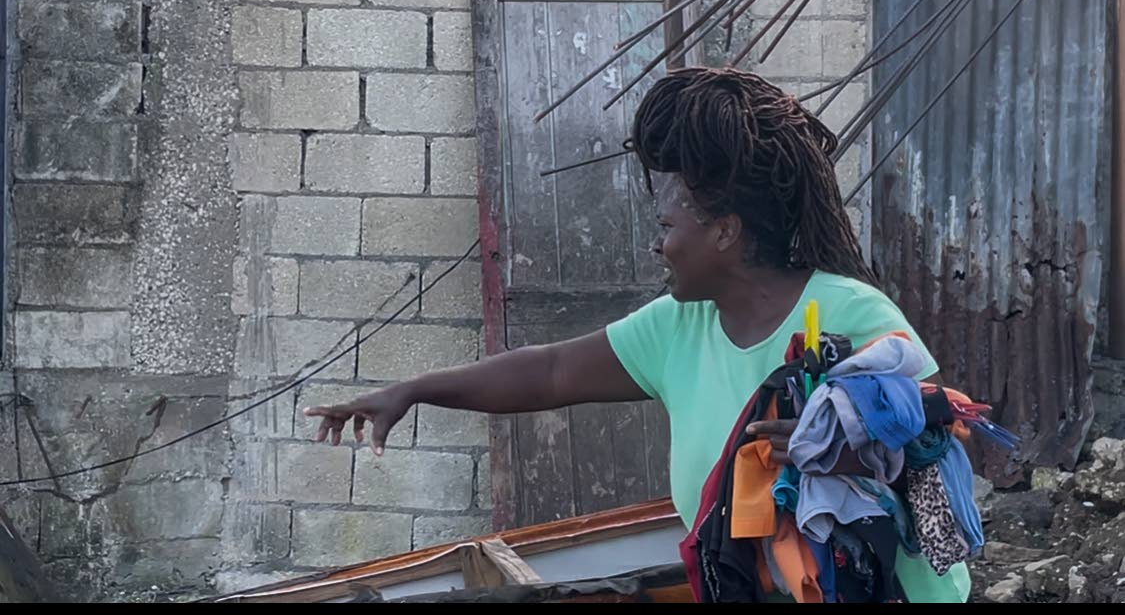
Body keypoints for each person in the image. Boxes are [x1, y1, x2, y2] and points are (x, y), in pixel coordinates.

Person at [304, 67, 965, 601]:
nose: (656, 246)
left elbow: (941, 446)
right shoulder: (679, 327)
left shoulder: (848, 312)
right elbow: (550, 372)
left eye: (665, 228)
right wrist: (415, 390)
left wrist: (845, 446)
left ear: (723, 232)